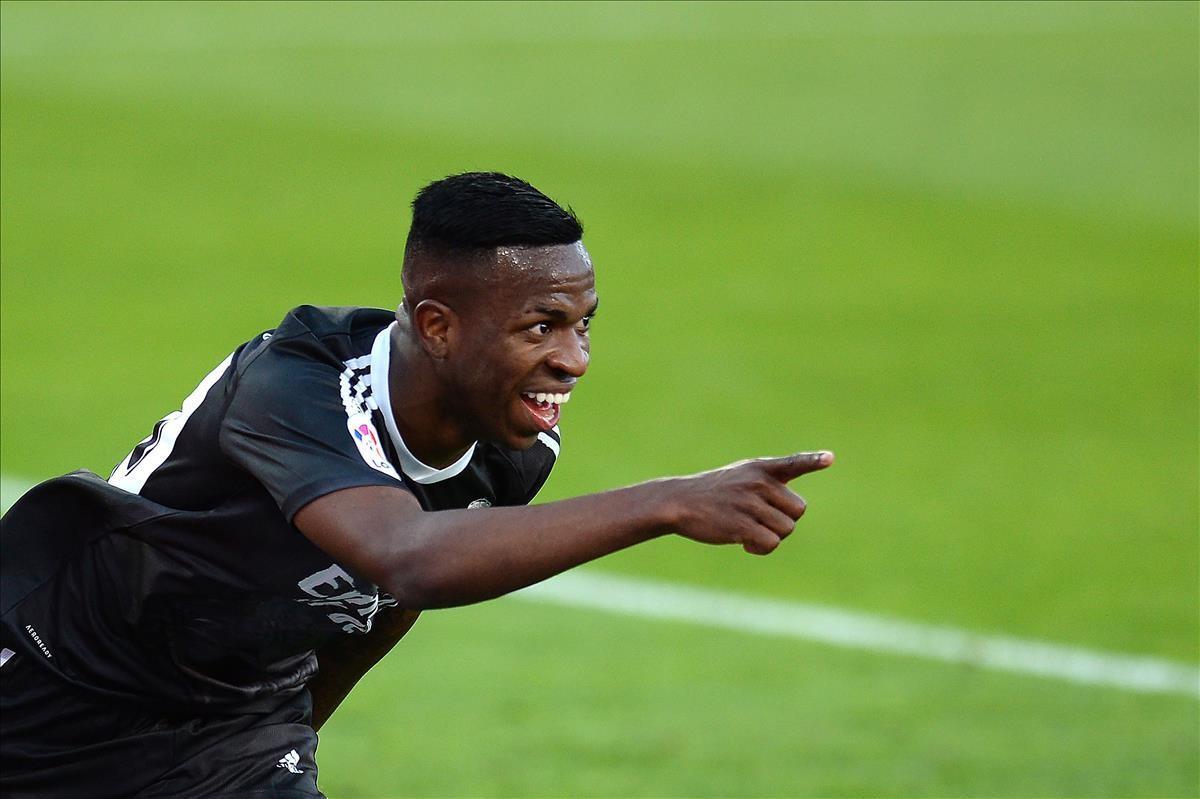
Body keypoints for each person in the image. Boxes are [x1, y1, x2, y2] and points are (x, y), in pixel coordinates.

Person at [0, 172, 833, 797]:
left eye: (584, 324)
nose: (573, 359)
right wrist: (669, 499)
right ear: (436, 324)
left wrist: (285, 742)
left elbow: (386, 606)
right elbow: (407, 558)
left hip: (230, 724)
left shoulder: (516, 445)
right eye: (541, 325)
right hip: (54, 683)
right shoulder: (291, 385)